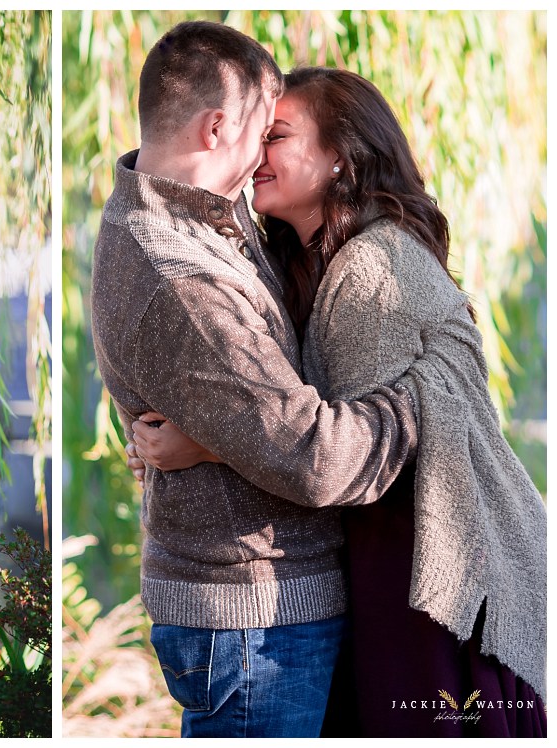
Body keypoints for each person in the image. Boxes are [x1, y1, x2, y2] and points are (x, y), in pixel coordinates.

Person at [128, 67, 546, 737]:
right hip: (397, 558)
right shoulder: (317, 261)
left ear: (340, 158)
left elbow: (350, 458)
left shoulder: (372, 266)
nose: (255, 153)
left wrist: (207, 442)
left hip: (424, 565)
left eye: (278, 136)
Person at [89, 21, 423, 738]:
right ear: (217, 128)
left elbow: (250, 404)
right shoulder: (182, 276)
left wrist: (212, 439)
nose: (264, 157)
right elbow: (309, 455)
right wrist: (422, 399)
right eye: (261, 133)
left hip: (254, 608)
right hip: (254, 622)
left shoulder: (189, 218)